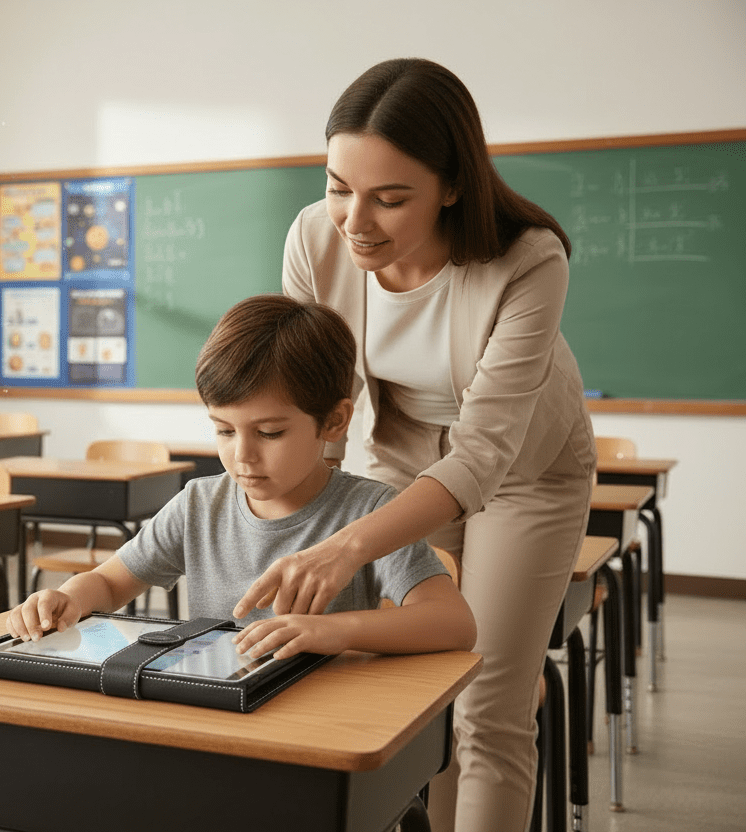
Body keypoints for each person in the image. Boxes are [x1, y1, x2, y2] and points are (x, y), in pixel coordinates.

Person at [234, 58, 596, 831]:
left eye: (390, 198)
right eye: (338, 186)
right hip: (397, 449)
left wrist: (346, 548)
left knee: (489, 703)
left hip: (524, 469)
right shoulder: (315, 237)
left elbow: (483, 455)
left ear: (452, 185)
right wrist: (282, 502)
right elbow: (307, 394)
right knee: (410, 692)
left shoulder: (529, 260)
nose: (355, 221)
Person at [7, 294, 476, 666]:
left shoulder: (370, 513)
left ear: (334, 422)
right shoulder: (199, 505)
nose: (242, 455)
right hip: (220, 718)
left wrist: (337, 631)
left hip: (323, 726)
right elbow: (109, 585)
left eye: (270, 432)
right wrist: (65, 598)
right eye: (224, 430)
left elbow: (454, 624)